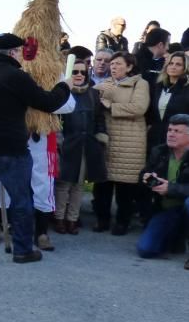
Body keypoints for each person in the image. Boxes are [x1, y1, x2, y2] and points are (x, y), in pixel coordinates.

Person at [0, 33, 72, 264]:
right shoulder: (16, 76)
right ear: (13, 52)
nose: (21, 55)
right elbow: (48, 102)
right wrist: (64, 86)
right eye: (19, 51)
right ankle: (23, 249)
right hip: (10, 149)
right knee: (21, 199)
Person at [92, 52, 150, 234]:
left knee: (125, 186)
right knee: (102, 183)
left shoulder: (140, 84)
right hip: (107, 138)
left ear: (130, 66)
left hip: (130, 141)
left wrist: (111, 106)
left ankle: (122, 222)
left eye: (118, 63)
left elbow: (139, 108)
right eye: (112, 63)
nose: (113, 66)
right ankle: (102, 219)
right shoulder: (105, 83)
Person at [53, 59, 107, 234]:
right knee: (63, 184)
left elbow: (99, 118)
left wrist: (100, 136)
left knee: (78, 185)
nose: (78, 75)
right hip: (67, 145)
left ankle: (72, 219)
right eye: (75, 71)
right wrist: (60, 141)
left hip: (87, 145)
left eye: (82, 72)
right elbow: (56, 120)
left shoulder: (93, 94)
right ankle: (59, 218)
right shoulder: (61, 92)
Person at [137, 114, 189, 266]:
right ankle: (176, 237)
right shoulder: (159, 152)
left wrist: (171, 189)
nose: (171, 134)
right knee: (145, 250)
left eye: (177, 131)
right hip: (166, 209)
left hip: (185, 206)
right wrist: (147, 178)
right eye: (169, 130)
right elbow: (143, 175)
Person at [147, 52, 189, 151]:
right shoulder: (158, 86)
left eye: (178, 64)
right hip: (156, 137)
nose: (173, 67)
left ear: (185, 68)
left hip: (179, 139)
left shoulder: (186, 89)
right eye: (171, 63)